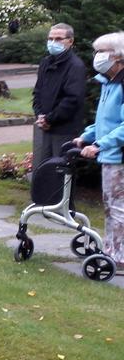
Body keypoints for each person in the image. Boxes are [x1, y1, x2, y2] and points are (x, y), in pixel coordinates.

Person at [74, 31, 124, 265]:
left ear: (118, 56)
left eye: (102, 52)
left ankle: (120, 257)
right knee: (110, 207)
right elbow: (105, 121)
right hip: (109, 155)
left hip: (119, 156)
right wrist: (86, 136)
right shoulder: (108, 83)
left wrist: (99, 145)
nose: (97, 56)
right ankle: (111, 250)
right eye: (96, 51)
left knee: (119, 208)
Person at [32, 22, 87, 166]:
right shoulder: (45, 63)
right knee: (43, 169)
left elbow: (72, 99)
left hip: (65, 130)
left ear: (70, 41)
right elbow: (38, 92)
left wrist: (49, 119)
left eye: (58, 39)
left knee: (60, 170)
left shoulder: (75, 66)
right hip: (46, 128)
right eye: (50, 39)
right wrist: (39, 116)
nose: (53, 42)